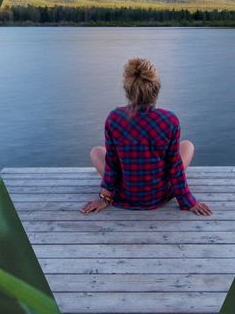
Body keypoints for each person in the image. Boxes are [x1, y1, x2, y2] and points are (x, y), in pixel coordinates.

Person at [80, 58, 213, 216]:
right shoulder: (169, 120)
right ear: (156, 89)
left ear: (128, 90)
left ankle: (116, 191)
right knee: (188, 146)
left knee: (96, 151)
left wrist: (104, 198)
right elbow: (174, 167)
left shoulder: (114, 118)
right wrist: (188, 201)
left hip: (125, 194)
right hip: (158, 195)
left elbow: (112, 164)